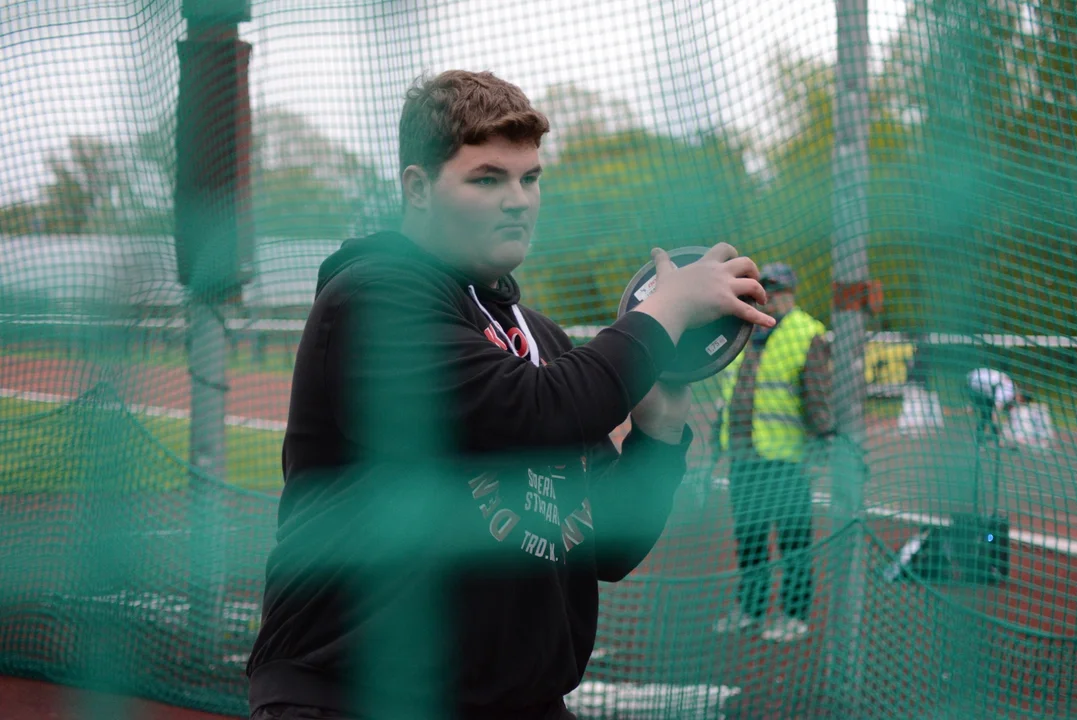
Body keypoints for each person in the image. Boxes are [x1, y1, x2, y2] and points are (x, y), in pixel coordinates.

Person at [245, 69, 775, 720]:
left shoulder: (539, 339)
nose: (518, 199)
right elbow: (540, 412)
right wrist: (667, 309)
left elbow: (607, 548)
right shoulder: (372, 299)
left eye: (530, 178)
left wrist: (659, 429)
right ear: (416, 189)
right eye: (487, 178)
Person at [709, 262, 832, 643]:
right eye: (768, 291)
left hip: (786, 460)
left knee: (793, 542)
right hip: (745, 457)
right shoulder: (744, 329)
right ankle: (751, 608)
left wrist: (826, 439)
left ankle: (794, 614)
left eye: (780, 291)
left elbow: (819, 395)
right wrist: (718, 440)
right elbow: (731, 396)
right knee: (750, 541)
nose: (774, 298)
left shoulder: (806, 333)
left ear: (792, 293)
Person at [965, 367, 1020, 448]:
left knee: (986, 415)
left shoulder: (1010, 384)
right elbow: (995, 413)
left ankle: (991, 440)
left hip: (973, 376)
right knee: (989, 416)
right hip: (976, 384)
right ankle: (993, 441)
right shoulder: (1009, 391)